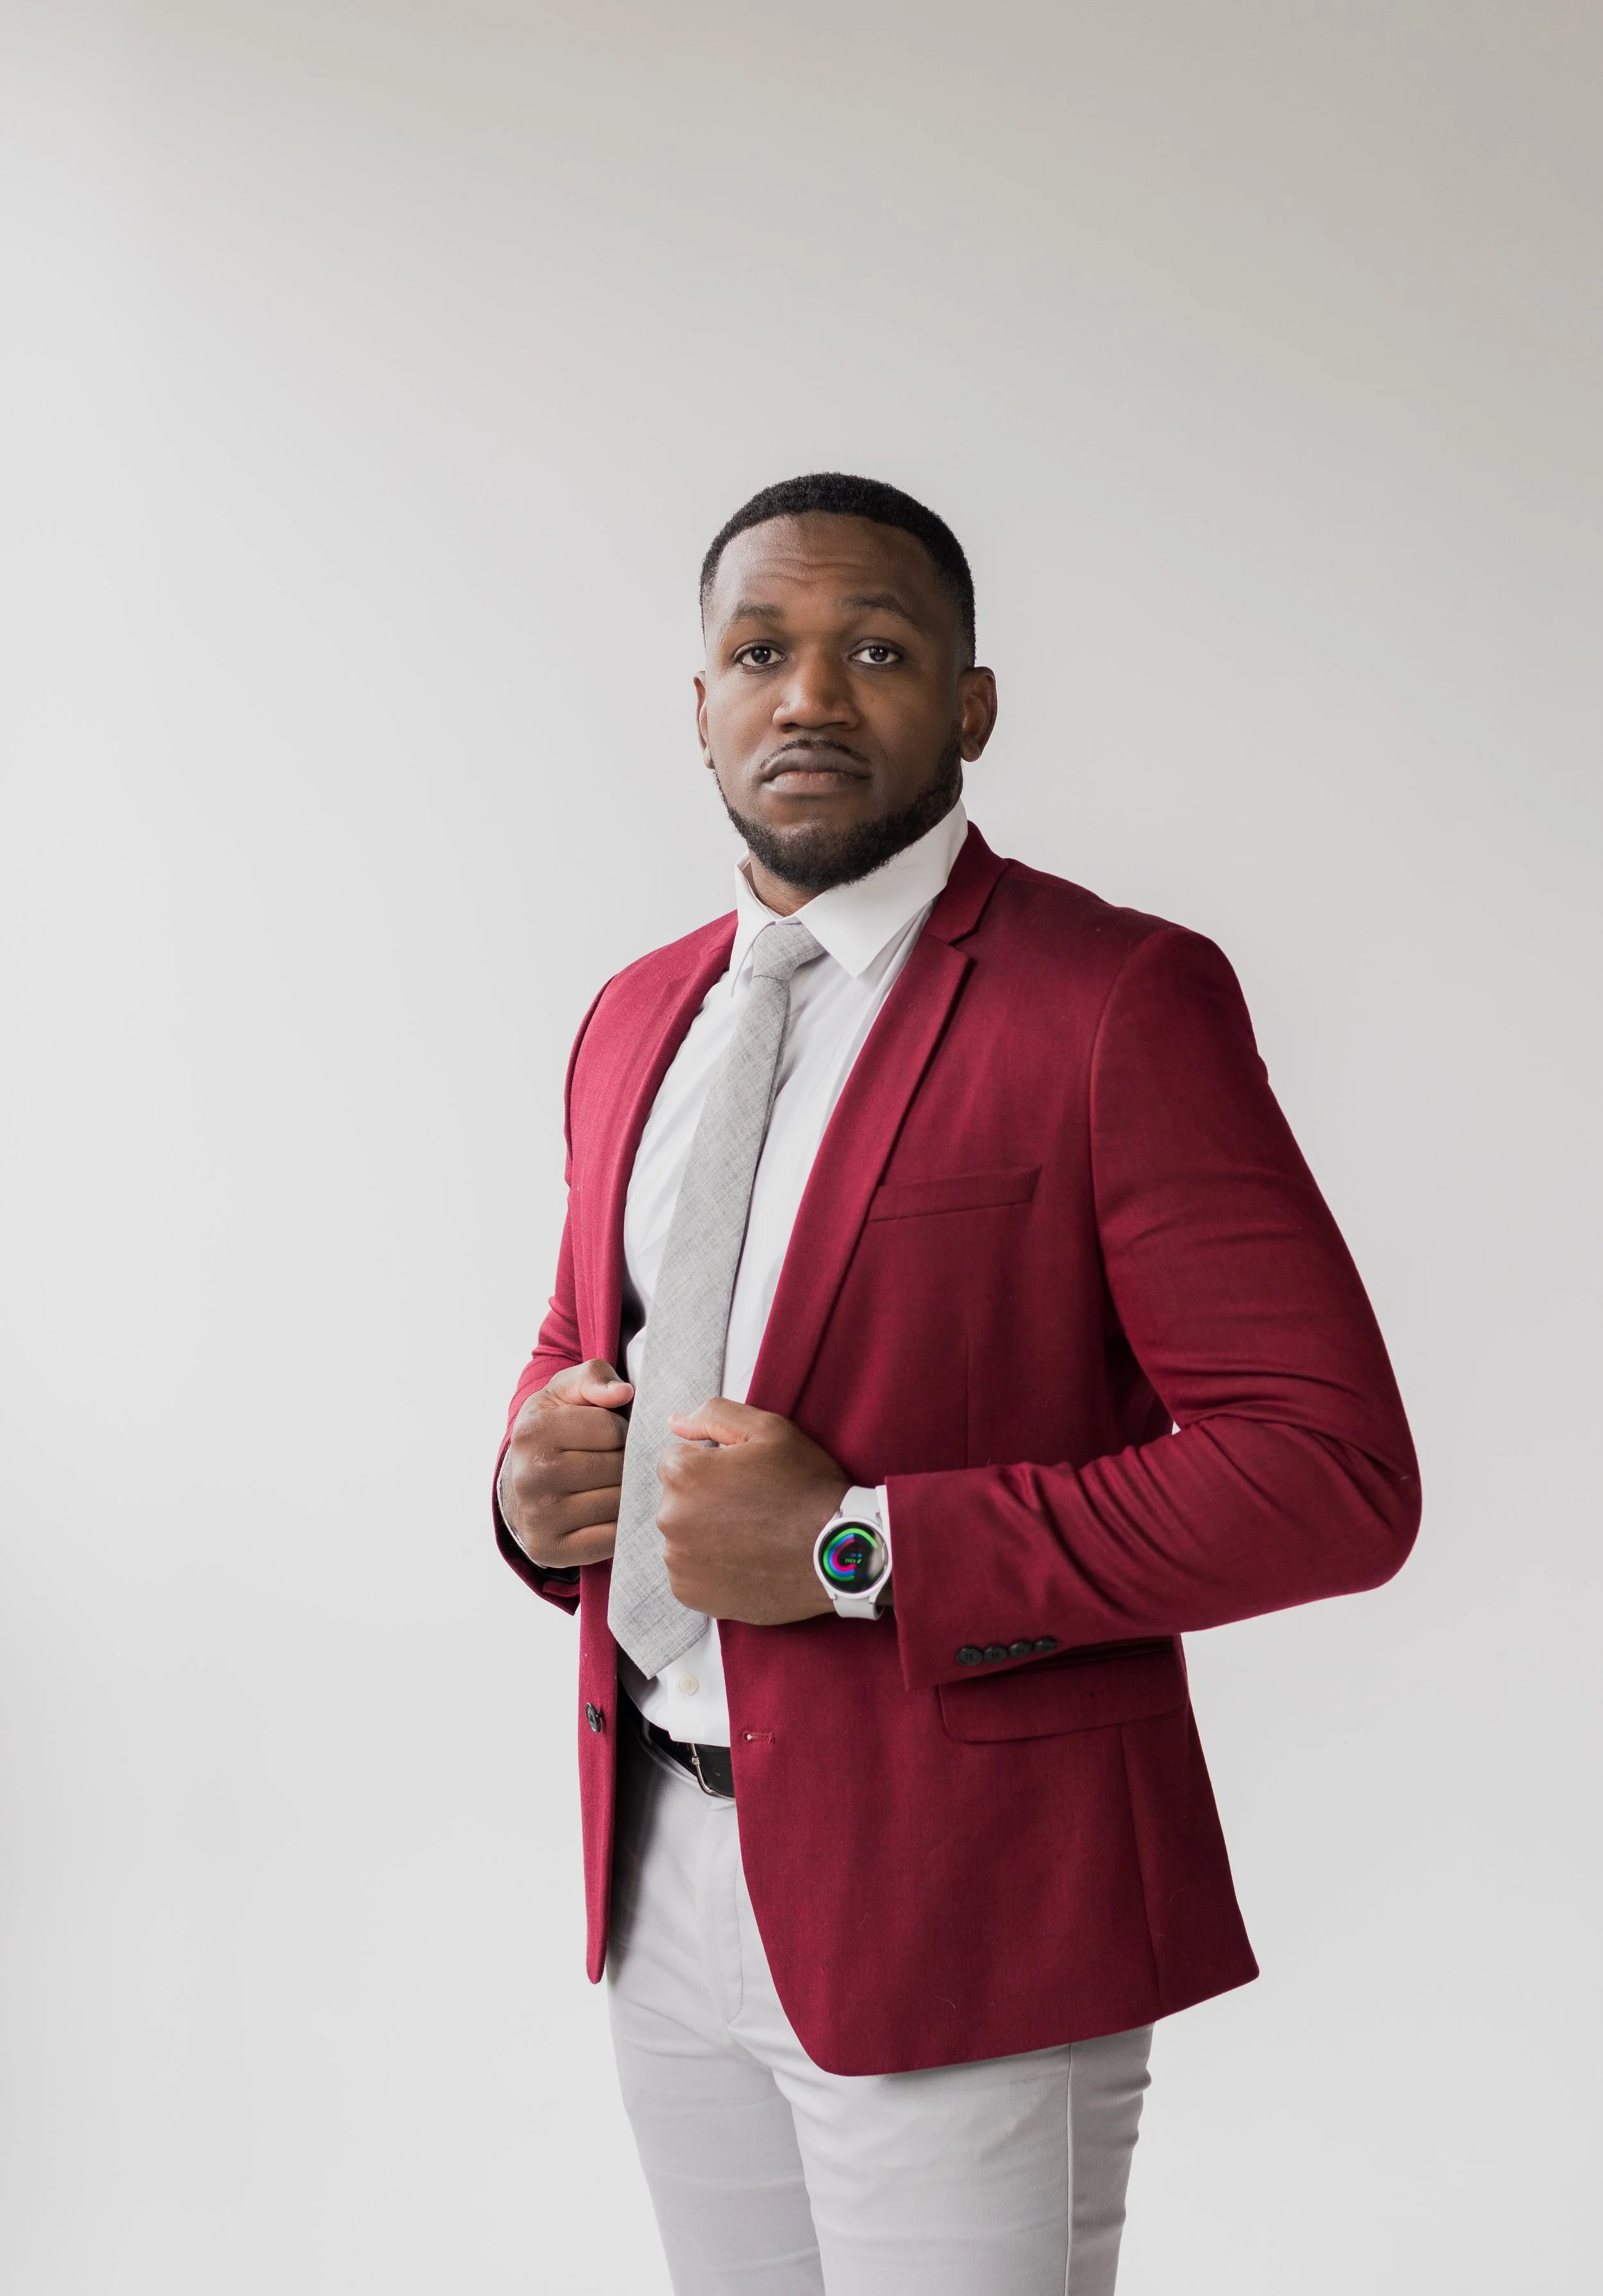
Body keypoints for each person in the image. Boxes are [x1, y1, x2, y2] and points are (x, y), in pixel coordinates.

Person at [493, 471, 1420, 2295]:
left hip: (969, 1889)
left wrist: (852, 1547)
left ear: (970, 705)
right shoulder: (634, 1013)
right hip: (662, 1859)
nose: (810, 696)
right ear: (698, 705)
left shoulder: (1113, 999)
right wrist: (528, 1490)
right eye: (759, 651)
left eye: (878, 649)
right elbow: (586, 1343)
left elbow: (1323, 1473)